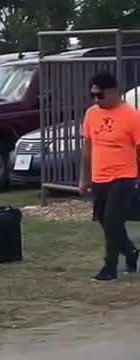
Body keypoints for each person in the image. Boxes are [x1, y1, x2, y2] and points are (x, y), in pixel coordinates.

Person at [79, 71, 140, 282]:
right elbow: (87, 148)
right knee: (104, 219)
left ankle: (110, 266)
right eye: (93, 95)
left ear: (113, 92)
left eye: (100, 95)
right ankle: (130, 251)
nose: (96, 100)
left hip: (123, 176)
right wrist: (84, 178)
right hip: (99, 176)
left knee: (113, 220)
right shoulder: (91, 114)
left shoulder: (131, 115)